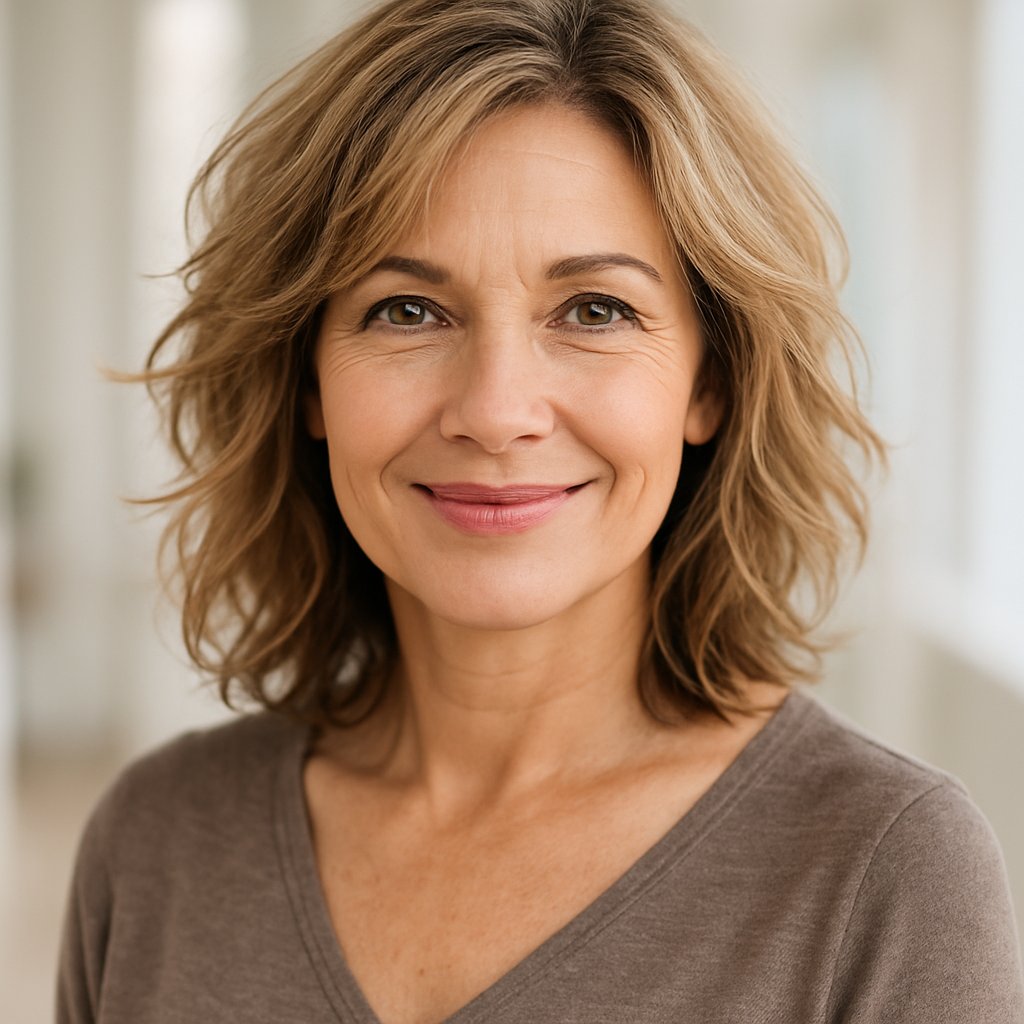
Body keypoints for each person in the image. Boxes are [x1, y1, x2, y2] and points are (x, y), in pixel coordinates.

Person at [58, 0, 1024, 1021]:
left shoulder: (882, 871)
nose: (494, 411)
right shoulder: (155, 844)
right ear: (305, 382)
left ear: (710, 382)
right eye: (407, 310)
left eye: (595, 310)